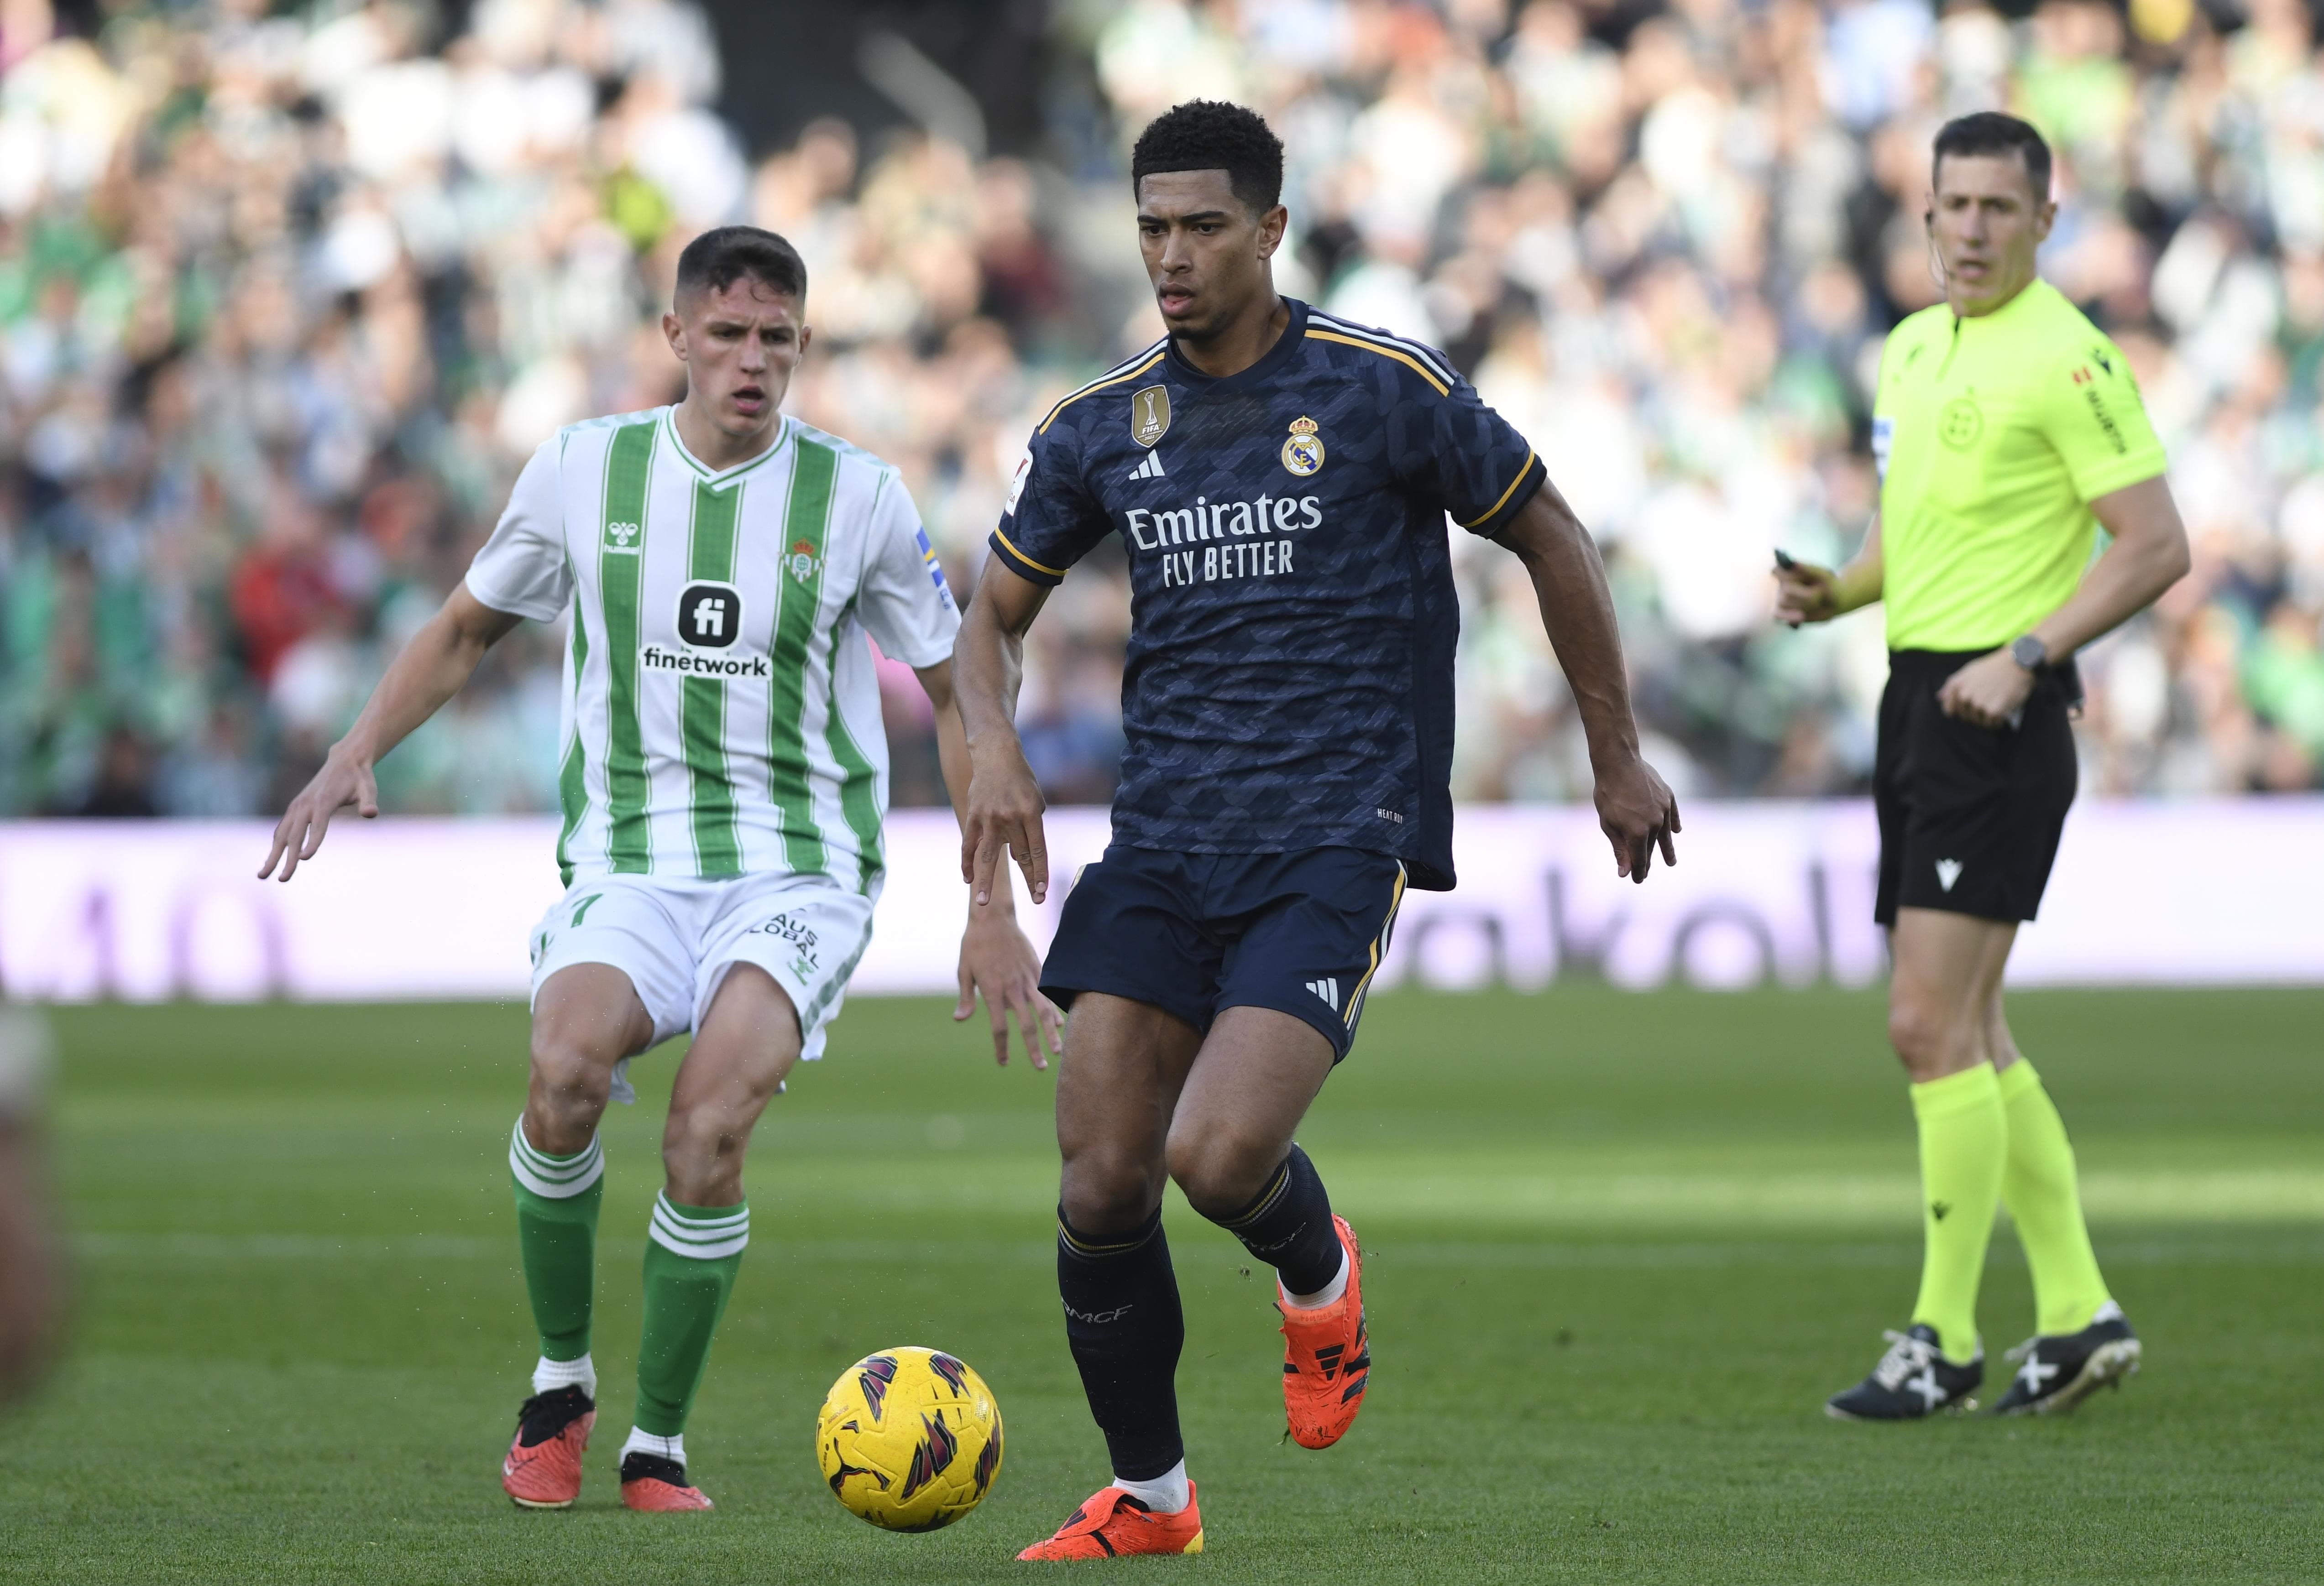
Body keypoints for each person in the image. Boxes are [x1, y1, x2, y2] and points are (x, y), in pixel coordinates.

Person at [954, 100, 1680, 1560]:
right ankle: (1151, 1499)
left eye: (1203, 226)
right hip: (1162, 833)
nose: (1171, 254)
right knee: (1098, 1180)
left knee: (1214, 1161)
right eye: (1152, 226)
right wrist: (995, 758)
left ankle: (1316, 1270)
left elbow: (1552, 535)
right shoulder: (1102, 423)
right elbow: (986, 622)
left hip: (1338, 823)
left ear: (1271, 231)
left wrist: (1615, 754)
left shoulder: (1378, 387)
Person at [261, 226, 1058, 1511]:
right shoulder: (586, 468)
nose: (754, 362)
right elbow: (468, 628)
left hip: (799, 872)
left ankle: (658, 1445)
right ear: (676, 335)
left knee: (708, 1118)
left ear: (802, 348)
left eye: (779, 341)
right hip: (629, 859)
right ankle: (562, 1381)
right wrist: (354, 747)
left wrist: (985, 906)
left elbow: (957, 696)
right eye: (731, 335)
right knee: (564, 1066)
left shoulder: (857, 497)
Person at [1776, 113, 2189, 1420]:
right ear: (1925, 215)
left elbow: (2153, 542)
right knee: (1971, 1031)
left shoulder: (2066, 360)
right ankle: (2076, 1314)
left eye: (1996, 210)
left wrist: (2027, 653)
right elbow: (1915, 529)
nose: (1968, 229)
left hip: (1995, 716)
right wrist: (1839, 588)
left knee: (1922, 1026)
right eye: (1950, 205)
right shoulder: (1909, 347)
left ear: (2042, 222)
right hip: (1919, 701)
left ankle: (1943, 1337)